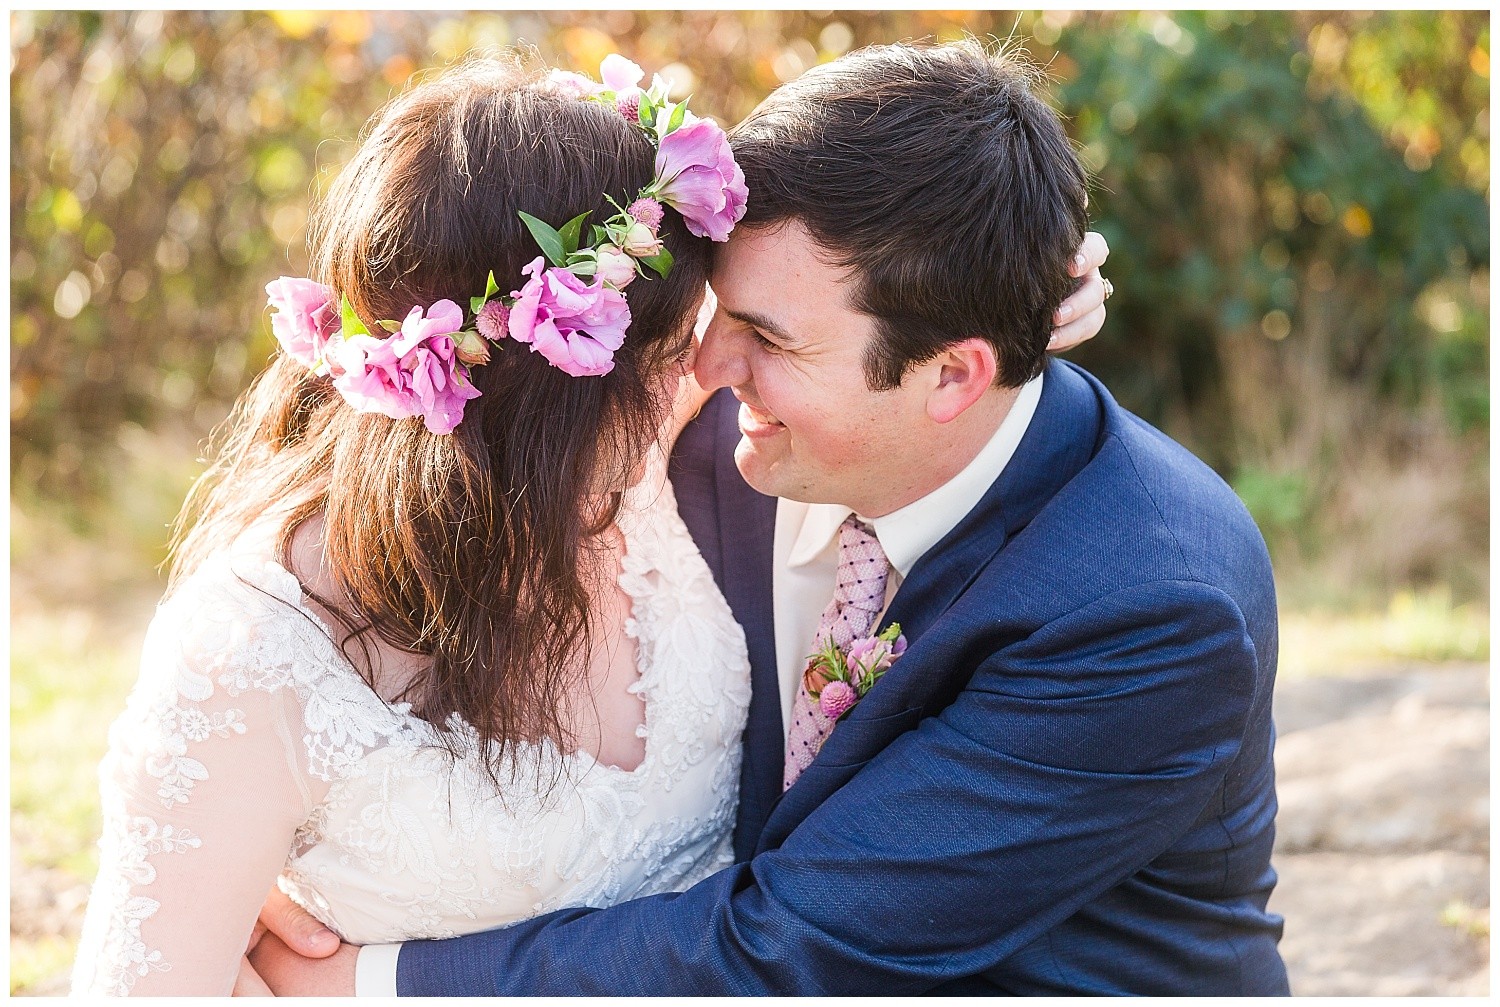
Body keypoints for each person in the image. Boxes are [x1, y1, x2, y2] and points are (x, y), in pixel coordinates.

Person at [251, 39, 1287, 996]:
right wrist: (246, 820)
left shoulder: (1148, 607)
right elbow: (413, 480)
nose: (703, 369)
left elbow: (794, 945)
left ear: (955, 375)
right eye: (717, 312)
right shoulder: (703, 444)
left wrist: (364, 978)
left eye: (767, 338)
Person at [68, 52, 1111, 996]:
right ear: (548, 390)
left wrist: (1010, 304)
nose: (704, 375)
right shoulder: (258, 653)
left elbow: (851, 259)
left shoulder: (637, 456)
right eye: (668, 356)